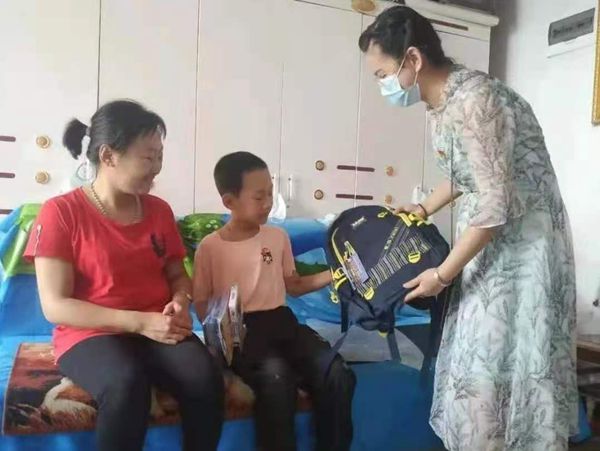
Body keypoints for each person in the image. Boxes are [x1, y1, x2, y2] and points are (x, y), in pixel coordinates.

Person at [359, 6, 577, 451]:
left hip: (521, 247)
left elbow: (495, 202)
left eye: (383, 74)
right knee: (475, 355)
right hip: (490, 238)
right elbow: (469, 173)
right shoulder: (442, 103)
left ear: (413, 59)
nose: (382, 86)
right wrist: (424, 207)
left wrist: (442, 275)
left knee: (500, 356)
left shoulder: (477, 101)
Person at [24, 100, 225, 451]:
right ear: (108, 156)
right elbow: (55, 306)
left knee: (204, 377)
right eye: (148, 158)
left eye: (160, 157)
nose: (156, 168)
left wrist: (181, 300)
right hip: (90, 333)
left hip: (157, 327)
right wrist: (140, 322)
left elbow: (177, 275)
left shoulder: (159, 211)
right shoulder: (60, 213)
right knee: (126, 384)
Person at [192, 151, 356, 451]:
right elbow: (202, 303)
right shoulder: (210, 248)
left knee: (337, 373)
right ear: (229, 201)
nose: (268, 202)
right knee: (278, 381)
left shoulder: (277, 237)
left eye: (270, 193)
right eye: (259, 196)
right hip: (243, 333)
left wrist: (337, 273)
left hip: (282, 322)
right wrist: (220, 333)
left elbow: (294, 286)